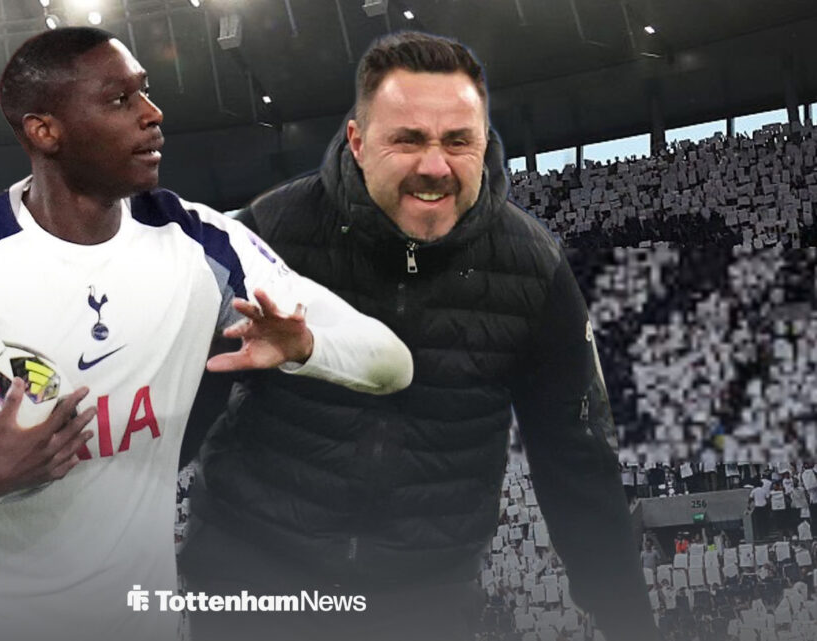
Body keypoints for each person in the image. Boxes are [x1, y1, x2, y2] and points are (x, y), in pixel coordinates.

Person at [0, 27, 413, 641]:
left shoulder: (204, 246)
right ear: (44, 131)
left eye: (146, 93)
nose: (153, 116)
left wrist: (304, 348)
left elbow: (391, 360)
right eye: (119, 101)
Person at [180, 31, 658, 641]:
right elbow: (184, 412)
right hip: (249, 576)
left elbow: (578, 458)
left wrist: (629, 622)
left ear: (484, 142)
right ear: (357, 141)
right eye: (406, 140)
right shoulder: (269, 234)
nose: (434, 167)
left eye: (458, 142)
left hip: (423, 596)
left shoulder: (534, 267)